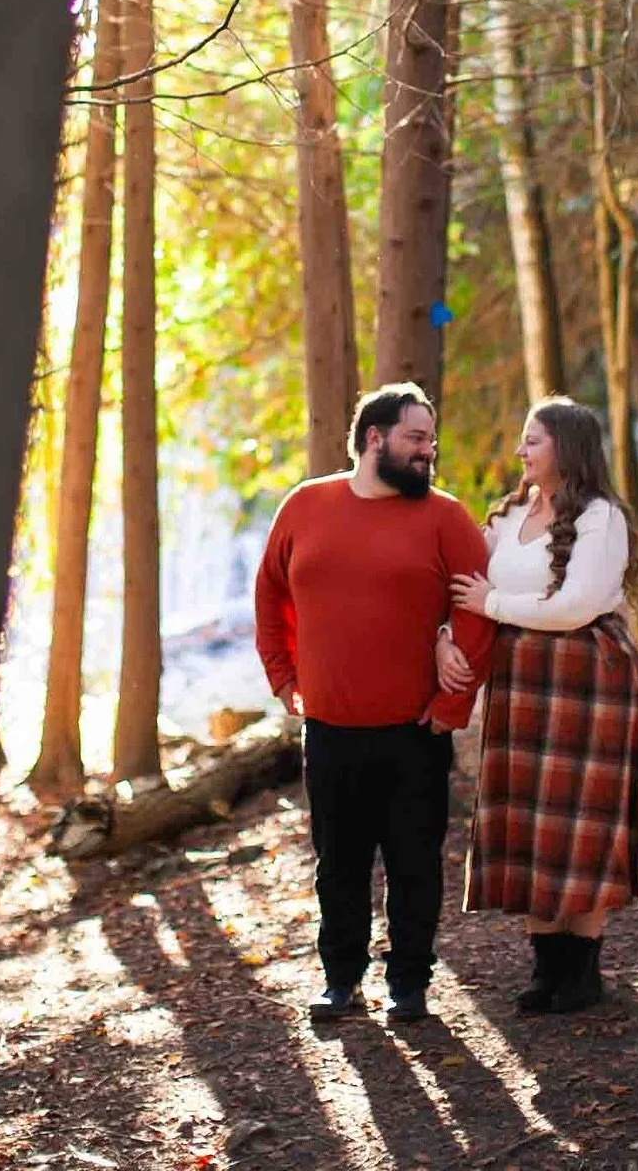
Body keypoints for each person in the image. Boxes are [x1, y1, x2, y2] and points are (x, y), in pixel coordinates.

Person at [255, 383, 496, 1024]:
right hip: (329, 728)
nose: (428, 452)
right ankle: (341, 980)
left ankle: (409, 984)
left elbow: (478, 614)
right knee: (339, 863)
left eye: (432, 442)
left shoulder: (447, 518)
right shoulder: (306, 505)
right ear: (374, 439)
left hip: (415, 731)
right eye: (417, 439)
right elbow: (270, 595)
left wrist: (453, 702)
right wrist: (282, 677)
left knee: (414, 862)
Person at [437, 397, 638, 1014]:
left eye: (532, 440)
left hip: (586, 677)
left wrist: (492, 606)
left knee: (582, 815)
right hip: (519, 682)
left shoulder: (601, 518)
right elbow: (461, 590)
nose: (520, 452)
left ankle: (583, 970)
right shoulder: (510, 514)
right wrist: (445, 637)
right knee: (530, 817)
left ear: (566, 447)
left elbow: (574, 606)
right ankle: (546, 965)